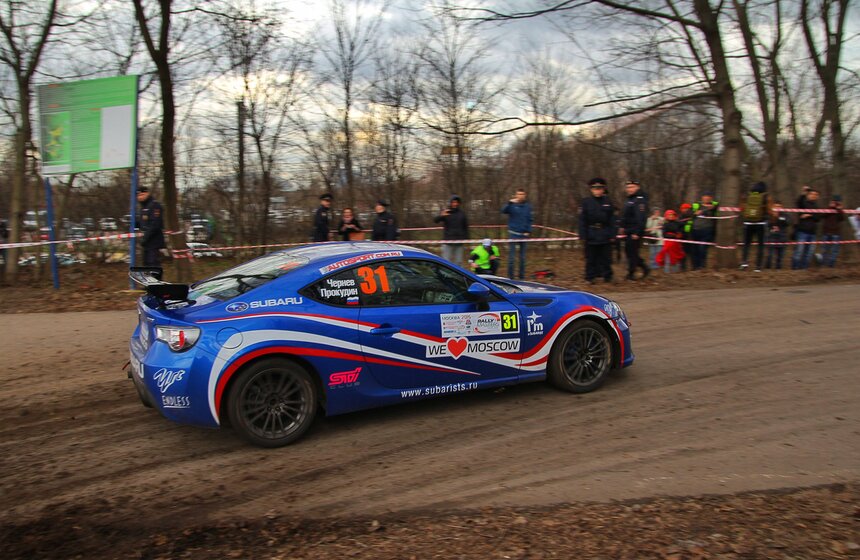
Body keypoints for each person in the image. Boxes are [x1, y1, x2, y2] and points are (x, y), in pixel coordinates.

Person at [578, 178, 616, 284]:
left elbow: (612, 220)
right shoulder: (586, 202)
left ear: (603, 189)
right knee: (591, 258)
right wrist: (583, 235)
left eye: (600, 188)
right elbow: (582, 220)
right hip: (591, 233)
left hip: (605, 233)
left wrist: (613, 234)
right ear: (591, 189)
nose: (597, 191)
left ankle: (607, 276)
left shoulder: (608, 202)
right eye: (595, 189)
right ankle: (590, 277)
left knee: (606, 257)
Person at [618, 180, 650, 280]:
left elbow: (641, 217)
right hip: (628, 230)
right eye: (628, 187)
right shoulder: (630, 200)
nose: (630, 189)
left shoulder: (639, 200)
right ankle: (644, 267)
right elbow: (626, 215)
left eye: (632, 187)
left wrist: (637, 232)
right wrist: (622, 226)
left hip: (634, 231)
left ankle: (631, 274)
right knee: (630, 252)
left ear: (637, 187)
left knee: (632, 253)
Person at [739, 181, 772, 271]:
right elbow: (769, 210)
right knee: (760, 245)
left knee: (746, 244)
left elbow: (742, 208)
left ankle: (744, 263)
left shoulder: (747, 195)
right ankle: (758, 267)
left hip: (748, 223)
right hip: (760, 223)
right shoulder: (766, 196)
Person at [501, 188, 533, 279]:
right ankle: (510, 278)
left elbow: (530, 219)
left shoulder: (528, 206)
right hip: (513, 233)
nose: (520, 196)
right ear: (516, 195)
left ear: (525, 195)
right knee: (511, 258)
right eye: (518, 194)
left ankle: (521, 278)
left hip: (524, 235)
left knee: (522, 259)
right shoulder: (511, 205)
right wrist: (509, 202)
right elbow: (503, 211)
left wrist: (528, 230)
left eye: (522, 194)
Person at [434, 195, 469, 264]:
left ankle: (459, 274)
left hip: (459, 242)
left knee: (459, 262)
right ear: (450, 203)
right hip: (448, 241)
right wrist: (441, 216)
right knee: (445, 262)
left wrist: (466, 238)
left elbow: (465, 227)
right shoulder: (446, 212)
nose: (455, 204)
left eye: (456, 202)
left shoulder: (462, 214)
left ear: (458, 203)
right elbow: (435, 220)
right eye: (453, 202)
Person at [690, 191, 719, 270]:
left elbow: (719, 206)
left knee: (703, 248)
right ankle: (695, 266)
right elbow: (689, 213)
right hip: (695, 229)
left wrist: (710, 208)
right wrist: (695, 213)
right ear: (702, 197)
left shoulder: (714, 205)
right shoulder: (696, 205)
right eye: (705, 196)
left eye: (708, 196)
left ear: (711, 198)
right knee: (695, 249)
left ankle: (702, 266)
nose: (706, 198)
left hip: (707, 230)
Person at [137, 186, 166, 267]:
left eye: (142, 194)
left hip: (154, 241)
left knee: (153, 264)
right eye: (139, 195)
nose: (140, 197)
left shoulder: (154, 206)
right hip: (147, 243)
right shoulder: (143, 208)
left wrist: (145, 237)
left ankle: (155, 279)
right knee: (146, 265)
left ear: (147, 193)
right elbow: (143, 224)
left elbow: (155, 225)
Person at [791, 188, 820, 269]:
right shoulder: (804, 203)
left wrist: (810, 215)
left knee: (809, 253)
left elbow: (818, 218)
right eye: (812, 194)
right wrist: (803, 193)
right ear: (808, 195)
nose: (814, 196)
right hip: (802, 231)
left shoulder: (817, 207)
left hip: (813, 232)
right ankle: (795, 269)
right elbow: (798, 203)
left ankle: (804, 268)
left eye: (816, 195)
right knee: (799, 251)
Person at [820, 194, 845, 267]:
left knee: (834, 251)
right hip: (826, 232)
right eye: (835, 201)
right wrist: (830, 207)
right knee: (824, 250)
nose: (836, 203)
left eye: (838, 202)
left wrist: (839, 209)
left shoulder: (839, 210)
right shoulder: (828, 208)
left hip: (836, 232)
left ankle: (831, 266)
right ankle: (823, 265)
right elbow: (822, 216)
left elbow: (841, 219)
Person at [765, 202, 790, 270]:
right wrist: (773, 217)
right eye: (776, 206)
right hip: (771, 236)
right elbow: (766, 224)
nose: (777, 208)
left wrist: (778, 217)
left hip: (782, 237)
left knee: (780, 256)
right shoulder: (769, 215)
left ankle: (778, 268)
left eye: (779, 206)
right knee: (770, 254)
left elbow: (788, 223)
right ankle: (767, 267)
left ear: (782, 207)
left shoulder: (785, 215)